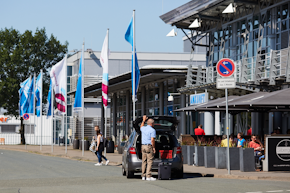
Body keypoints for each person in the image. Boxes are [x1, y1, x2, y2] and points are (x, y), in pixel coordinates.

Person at [140, 115, 156, 181]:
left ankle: (143, 176)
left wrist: (143, 120)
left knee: (144, 161)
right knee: (149, 161)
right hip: (149, 146)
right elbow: (152, 140)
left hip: (143, 146)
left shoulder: (143, 128)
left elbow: (141, 126)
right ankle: (148, 176)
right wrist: (154, 148)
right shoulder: (152, 130)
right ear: (151, 124)